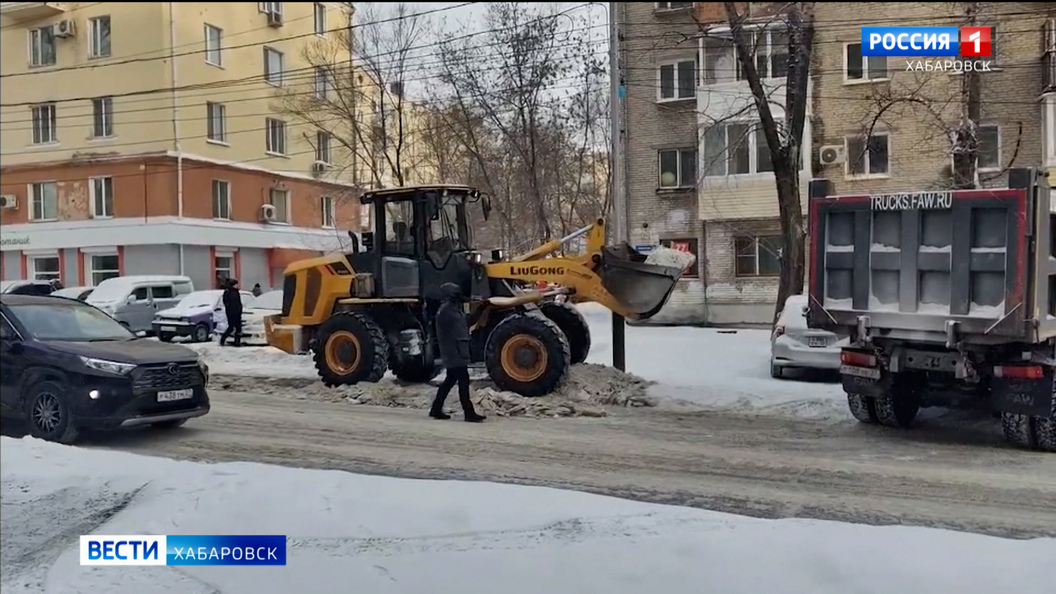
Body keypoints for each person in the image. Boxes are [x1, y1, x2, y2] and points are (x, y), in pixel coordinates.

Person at [429, 283, 486, 423]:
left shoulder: (453, 309)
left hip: (458, 350)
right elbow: (450, 332)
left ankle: (436, 408)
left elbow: (466, 322)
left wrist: (480, 309)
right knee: (463, 381)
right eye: (456, 294)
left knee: (450, 381)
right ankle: (469, 412)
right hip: (453, 351)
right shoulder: (446, 311)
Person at [219, 278, 244, 347]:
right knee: (231, 327)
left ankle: (237, 342)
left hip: (237, 312)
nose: (237, 285)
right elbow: (226, 302)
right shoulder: (228, 292)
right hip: (231, 313)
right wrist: (230, 309)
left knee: (238, 328)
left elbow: (238, 302)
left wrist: (240, 309)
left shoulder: (236, 292)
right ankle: (223, 339)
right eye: (236, 284)